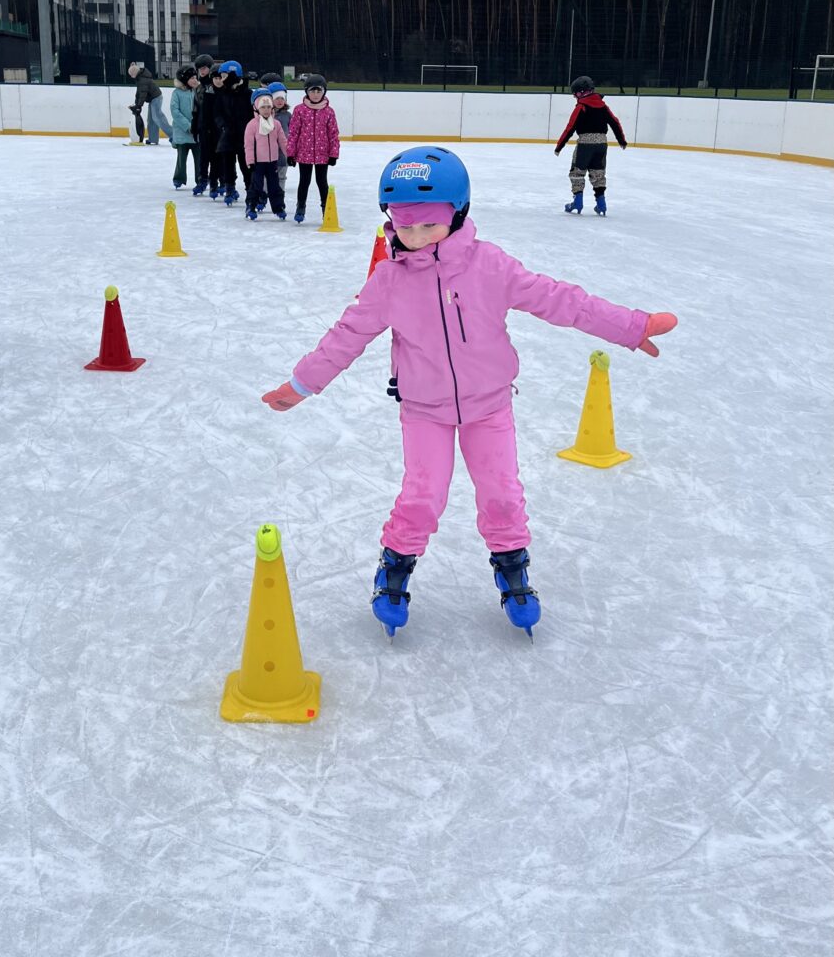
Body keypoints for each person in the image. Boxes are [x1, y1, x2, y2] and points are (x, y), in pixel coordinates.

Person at [261, 146, 677, 640]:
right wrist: (303, 384)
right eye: (403, 225)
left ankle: (512, 567)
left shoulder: (489, 266)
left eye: (427, 225)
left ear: (457, 214)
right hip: (424, 409)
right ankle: (394, 568)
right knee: (423, 495)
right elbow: (346, 335)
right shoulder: (388, 280)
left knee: (502, 492)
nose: (413, 237)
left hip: (489, 406)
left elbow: (560, 300)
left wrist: (630, 327)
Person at [554, 75, 626, 216]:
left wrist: (559, 146)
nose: (575, 97)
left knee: (577, 172)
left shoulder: (581, 107)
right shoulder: (603, 106)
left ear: (581, 92)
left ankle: (577, 202)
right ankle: (601, 204)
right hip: (602, 144)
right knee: (598, 173)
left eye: (575, 94)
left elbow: (570, 127)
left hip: (585, 144)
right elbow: (615, 122)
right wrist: (621, 140)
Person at [286, 74, 339, 223]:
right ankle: (300, 207)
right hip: (304, 154)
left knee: (322, 182)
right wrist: (291, 153)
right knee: (304, 181)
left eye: (319, 91)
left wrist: (333, 154)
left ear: (324, 92)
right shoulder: (299, 110)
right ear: (306, 92)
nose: (315, 95)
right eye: (312, 91)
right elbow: (293, 133)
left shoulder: (329, 111)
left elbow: (333, 133)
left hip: (323, 154)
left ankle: (326, 209)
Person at [213, 59, 254, 207]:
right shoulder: (222, 94)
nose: (221, 80)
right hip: (228, 135)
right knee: (228, 164)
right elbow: (217, 113)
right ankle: (230, 188)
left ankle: (251, 190)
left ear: (233, 75)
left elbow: (254, 115)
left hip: (245, 137)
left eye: (224, 76)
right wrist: (222, 126)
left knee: (246, 165)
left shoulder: (249, 94)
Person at [244, 91, 288, 221]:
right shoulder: (252, 125)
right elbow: (249, 145)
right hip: (258, 163)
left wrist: (290, 156)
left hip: (272, 161)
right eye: (263, 107)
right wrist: (250, 161)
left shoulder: (276, 124)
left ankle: (279, 207)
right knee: (256, 186)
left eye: (269, 107)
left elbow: (283, 141)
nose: (266, 110)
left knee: (275, 186)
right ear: (257, 108)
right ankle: (251, 206)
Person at [169, 65, 201, 189]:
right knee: (181, 158)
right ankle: (179, 178)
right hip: (182, 132)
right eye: (191, 78)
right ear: (184, 79)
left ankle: (201, 178)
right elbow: (175, 111)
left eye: (195, 77)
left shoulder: (197, 91)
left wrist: (198, 125)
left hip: (197, 132)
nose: (194, 80)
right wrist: (188, 126)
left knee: (199, 158)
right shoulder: (176, 93)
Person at [128, 61, 172, 145]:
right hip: (153, 99)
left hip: (156, 98)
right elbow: (139, 93)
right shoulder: (140, 78)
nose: (131, 76)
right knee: (151, 119)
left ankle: (173, 136)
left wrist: (139, 106)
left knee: (158, 117)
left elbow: (143, 94)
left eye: (131, 74)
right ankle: (153, 139)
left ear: (134, 73)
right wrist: (136, 104)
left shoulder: (142, 80)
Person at [191, 53, 217, 196]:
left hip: (216, 127)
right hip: (203, 127)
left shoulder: (216, 85)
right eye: (200, 69)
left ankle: (216, 182)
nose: (202, 71)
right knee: (203, 156)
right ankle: (202, 180)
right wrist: (194, 127)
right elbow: (195, 109)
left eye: (205, 68)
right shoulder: (199, 88)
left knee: (216, 156)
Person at [267, 81, 291, 200]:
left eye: (282, 98)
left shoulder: (288, 115)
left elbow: (292, 133)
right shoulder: (265, 115)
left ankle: (279, 198)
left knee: (281, 176)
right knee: (267, 176)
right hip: (268, 153)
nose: (280, 101)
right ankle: (264, 196)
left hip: (283, 154)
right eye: (276, 98)